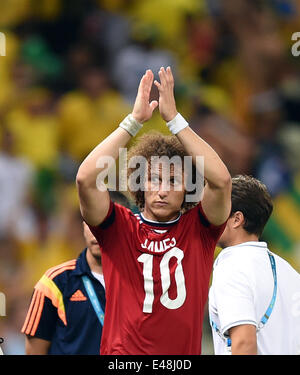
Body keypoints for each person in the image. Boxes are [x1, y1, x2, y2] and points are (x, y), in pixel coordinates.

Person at [76, 67, 232, 354]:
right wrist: (133, 122)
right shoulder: (117, 227)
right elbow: (86, 178)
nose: (162, 189)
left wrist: (174, 120)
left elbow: (221, 180)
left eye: (173, 180)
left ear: (189, 187)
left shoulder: (200, 229)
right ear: (139, 183)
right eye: (154, 178)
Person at [208, 175, 300, 355]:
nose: (210, 218)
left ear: (237, 219)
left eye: (217, 210)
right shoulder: (289, 271)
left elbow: (244, 343)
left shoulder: (232, 267)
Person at [21, 221, 106, 355]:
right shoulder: (54, 282)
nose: (96, 233)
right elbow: (34, 351)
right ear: (83, 226)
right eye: (91, 224)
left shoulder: (140, 278)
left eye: (105, 225)